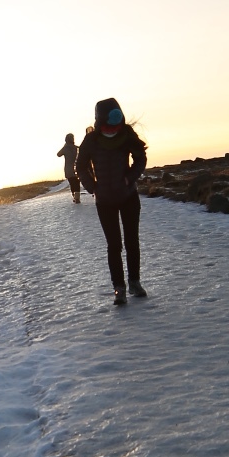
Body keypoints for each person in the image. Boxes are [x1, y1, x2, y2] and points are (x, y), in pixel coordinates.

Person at [76, 98, 147, 303]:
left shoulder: (126, 135)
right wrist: (93, 187)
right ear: (99, 120)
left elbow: (140, 157)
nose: (113, 128)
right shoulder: (91, 140)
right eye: (109, 123)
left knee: (132, 241)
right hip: (105, 201)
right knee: (114, 245)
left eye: (116, 123)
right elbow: (81, 166)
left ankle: (134, 282)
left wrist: (130, 177)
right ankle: (119, 288)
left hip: (128, 197)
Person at [57, 132, 81, 201]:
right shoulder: (76, 148)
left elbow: (58, 154)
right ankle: (77, 197)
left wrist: (64, 147)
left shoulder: (65, 148)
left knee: (72, 183)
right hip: (76, 168)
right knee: (77, 183)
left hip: (68, 169)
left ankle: (74, 196)